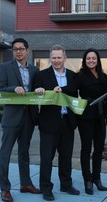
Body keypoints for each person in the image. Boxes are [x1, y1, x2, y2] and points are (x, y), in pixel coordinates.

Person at [0, 38, 41, 202]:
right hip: (11, 117)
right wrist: (13, 89)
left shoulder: (35, 70)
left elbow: (38, 89)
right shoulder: (5, 68)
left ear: (27, 51)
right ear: (13, 52)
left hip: (29, 117)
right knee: (5, 153)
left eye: (21, 48)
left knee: (24, 153)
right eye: (15, 49)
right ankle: (5, 189)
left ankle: (26, 184)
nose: (18, 51)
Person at [33, 44, 79, 201]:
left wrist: (62, 89)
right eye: (53, 57)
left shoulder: (73, 76)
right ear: (49, 58)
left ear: (65, 58)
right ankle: (46, 188)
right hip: (48, 123)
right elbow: (34, 93)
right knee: (46, 158)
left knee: (66, 157)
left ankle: (66, 184)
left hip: (67, 122)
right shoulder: (41, 75)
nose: (56, 60)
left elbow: (74, 91)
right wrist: (38, 91)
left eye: (59, 57)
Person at [76, 48, 107, 195]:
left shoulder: (103, 76)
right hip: (85, 117)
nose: (91, 60)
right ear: (85, 60)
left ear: (98, 60)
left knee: (98, 149)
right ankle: (87, 180)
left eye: (94, 58)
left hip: (100, 117)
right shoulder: (80, 75)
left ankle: (97, 178)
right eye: (88, 58)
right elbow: (71, 90)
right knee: (86, 149)